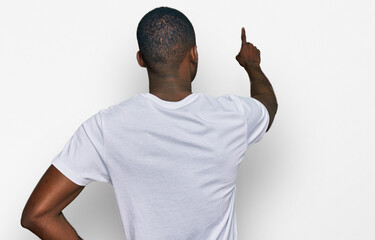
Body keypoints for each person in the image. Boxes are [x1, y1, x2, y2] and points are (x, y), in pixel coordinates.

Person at [21, 6, 277, 240]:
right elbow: (268, 106)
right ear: (194, 54)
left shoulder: (105, 128)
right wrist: (252, 65)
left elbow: (38, 214)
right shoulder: (231, 117)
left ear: (141, 59)